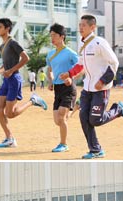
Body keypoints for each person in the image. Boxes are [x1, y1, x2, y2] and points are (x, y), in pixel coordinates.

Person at [60, 15, 123, 159]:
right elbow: (80, 64)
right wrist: (69, 73)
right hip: (87, 88)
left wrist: (103, 80)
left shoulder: (100, 43)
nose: (80, 28)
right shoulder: (83, 45)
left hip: (101, 89)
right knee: (83, 117)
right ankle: (95, 150)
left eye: (84, 25)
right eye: (79, 25)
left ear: (93, 27)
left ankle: (118, 110)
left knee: (95, 120)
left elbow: (114, 62)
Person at [0, 18, 47, 148]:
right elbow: (5, 65)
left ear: (7, 28)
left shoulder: (13, 43)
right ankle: (9, 138)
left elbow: (26, 58)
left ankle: (33, 101)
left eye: (0, 27)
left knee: (10, 113)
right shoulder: (2, 46)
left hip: (14, 79)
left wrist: (11, 70)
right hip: (6, 80)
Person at [46, 23, 78, 152]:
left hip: (68, 88)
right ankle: (77, 107)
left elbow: (80, 68)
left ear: (62, 37)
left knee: (61, 116)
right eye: (51, 35)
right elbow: (49, 70)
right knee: (58, 120)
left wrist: (71, 77)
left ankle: (63, 144)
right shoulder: (50, 54)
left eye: (54, 35)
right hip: (57, 89)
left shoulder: (70, 53)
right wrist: (50, 81)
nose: (52, 38)